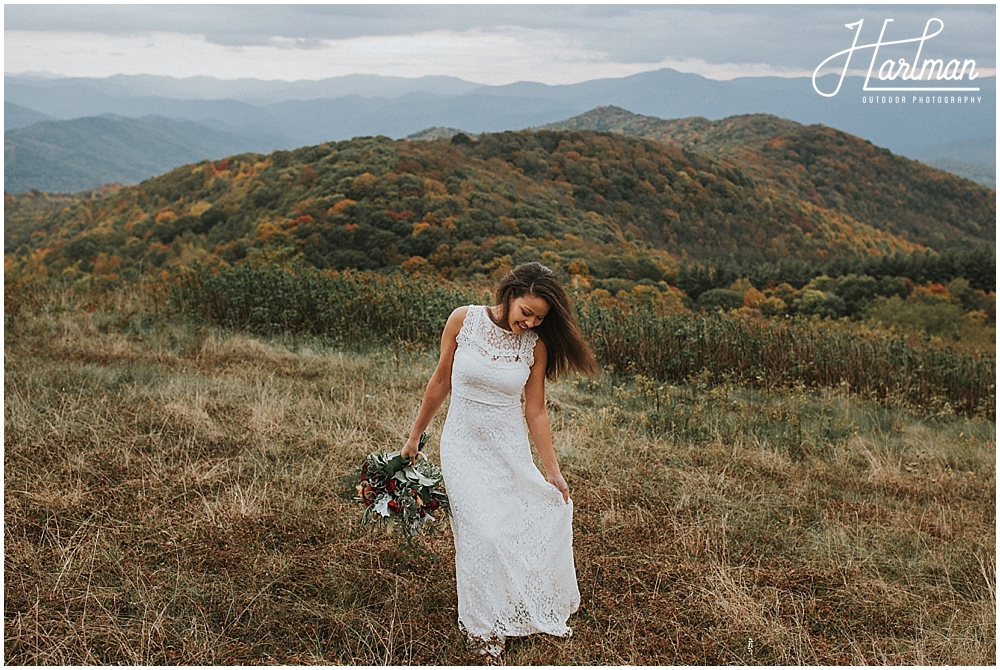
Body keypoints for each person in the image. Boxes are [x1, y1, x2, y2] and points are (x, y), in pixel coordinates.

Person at [401, 261, 599, 657]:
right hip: (462, 444)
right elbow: (440, 381)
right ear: (509, 296)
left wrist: (553, 472)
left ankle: (512, 604)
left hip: (507, 448)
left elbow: (536, 410)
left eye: (539, 319)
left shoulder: (535, 346)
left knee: (509, 528)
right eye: (526, 313)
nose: (529, 323)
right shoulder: (463, 320)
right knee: (481, 533)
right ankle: (483, 630)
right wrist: (415, 437)